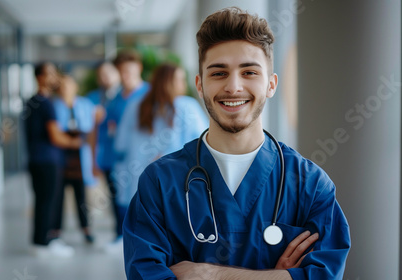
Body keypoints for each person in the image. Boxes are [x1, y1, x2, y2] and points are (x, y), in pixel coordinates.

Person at [123, 7, 350, 280]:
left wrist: (210, 273)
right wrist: (276, 276)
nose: (233, 87)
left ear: (271, 84)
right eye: (218, 73)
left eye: (249, 72)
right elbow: (146, 274)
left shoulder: (310, 185)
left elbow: (325, 275)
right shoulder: (159, 183)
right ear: (199, 85)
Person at [113, 63, 208, 232]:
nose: (184, 84)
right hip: (178, 183)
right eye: (179, 79)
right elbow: (204, 142)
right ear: (168, 82)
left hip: (139, 181)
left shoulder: (135, 105)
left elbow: (120, 144)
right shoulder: (187, 106)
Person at [24, 62, 81, 257]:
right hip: (47, 161)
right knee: (48, 202)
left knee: (42, 201)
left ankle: (41, 241)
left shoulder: (33, 101)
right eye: (48, 74)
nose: (54, 77)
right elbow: (55, 136)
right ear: (39, 77)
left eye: (54, 73)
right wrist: (76, 143)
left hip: (37, 160)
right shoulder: (46, 103)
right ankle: (44, 243)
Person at [103, 49, 150, 241]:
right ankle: (120, 235)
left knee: (145, 199)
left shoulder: (149, 94)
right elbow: (110, 128)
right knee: (119, 198)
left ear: (138, 68)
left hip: (145, 157)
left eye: (129, 70)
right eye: (121, 71)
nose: (125, 75)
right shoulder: (115, 99)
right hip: (118, 156)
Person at [52, 74, 97, 244]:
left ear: (75, 87)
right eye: (62, 86)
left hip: (80, 155)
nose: (65, 89)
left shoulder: (86, 105)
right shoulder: (54, 106)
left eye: (68, 85)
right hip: (61, 154)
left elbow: (90, 129)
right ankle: (56, 229)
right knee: (58, 196)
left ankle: (86, 228)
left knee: (81, 196)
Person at [86, 61, 122, 241]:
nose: (105, 77)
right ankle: (119, 233)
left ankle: (125, 233)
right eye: (101, 74)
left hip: (125, 155)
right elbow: (88, 128)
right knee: (113, 194)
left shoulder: (126, 96)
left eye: (109, 72)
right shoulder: (94, 98)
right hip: (105, 155)